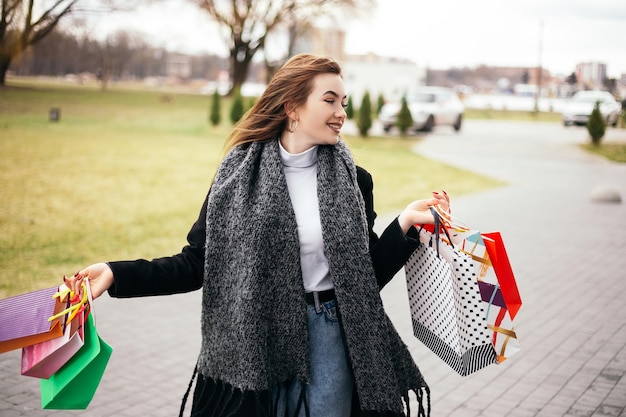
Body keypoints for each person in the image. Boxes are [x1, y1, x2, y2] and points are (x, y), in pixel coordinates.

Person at [65, 53, 449, 417]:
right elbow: (197, 263)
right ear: (292, 107)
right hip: (254, 338)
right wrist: (117, 274)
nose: (341, 113)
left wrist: (404, 227)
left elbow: (363, 281)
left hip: (331, 334)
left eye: (344, 102)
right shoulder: (235, 178)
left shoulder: (354, 181)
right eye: (330, 101)